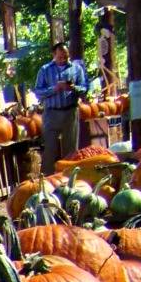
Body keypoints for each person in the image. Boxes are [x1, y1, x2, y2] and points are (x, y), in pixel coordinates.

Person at [34, 39, 88, 178]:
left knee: (70, 148)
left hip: (70, 111)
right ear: (54, 54)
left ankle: (70, 177)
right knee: (50, 148)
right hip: (51, 113)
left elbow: (85, 88)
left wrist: (73, 88)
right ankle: (47, 178)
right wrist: (55, 88)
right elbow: (38, 92)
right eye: (60, 56)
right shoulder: (45, 70)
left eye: (65, 56)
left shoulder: (76, 69)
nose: (63, 59)